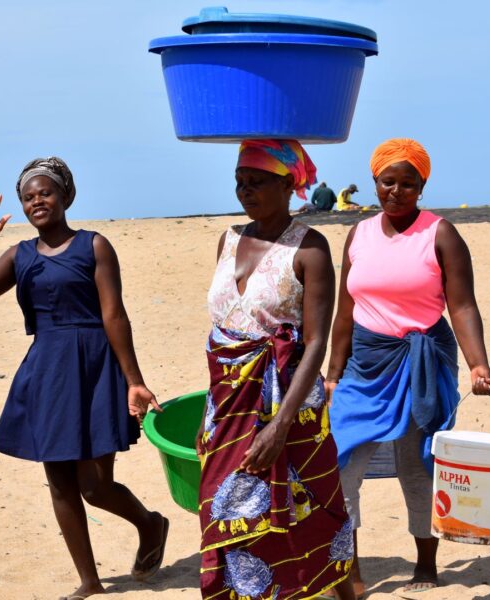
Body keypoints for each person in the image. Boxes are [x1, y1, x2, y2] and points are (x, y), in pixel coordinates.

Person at [0, 157, 169, 599]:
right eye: (28, 196)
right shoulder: (20, 255)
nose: (37, 200)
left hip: (95, 366)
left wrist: (133, 378)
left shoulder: (94, 246)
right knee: (58, 479)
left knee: (95, 487)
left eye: (45, 193)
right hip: (47, 371)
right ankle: (89, 581)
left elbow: (114, 314)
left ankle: (150, 523)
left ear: (65, 196)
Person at [325, 138, 490, 595]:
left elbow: (461, 306)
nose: (397, 191)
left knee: (417, 466)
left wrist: (479, 364)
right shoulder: (357, 234)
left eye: (408, 183)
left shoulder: (441, 233)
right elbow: (345, 310)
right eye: (388, 181)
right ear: (374, 182)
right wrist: (331, 373)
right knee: (342, 465)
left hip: (420, 363)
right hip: (365, 365)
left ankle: (426, 564)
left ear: (421, 186)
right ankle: (351, 571)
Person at [197, 139, 356, 600]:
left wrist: (280, 426)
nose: (245, 191)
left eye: (257, 182)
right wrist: (212, 415)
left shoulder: (309, 248)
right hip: (227, 405)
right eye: (240, 182)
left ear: (288, 184)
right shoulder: (227, 240)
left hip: (289, 403)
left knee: (311, 508)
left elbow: (317, 342)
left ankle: (342, 593)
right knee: (227, 514)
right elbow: (223, 332)